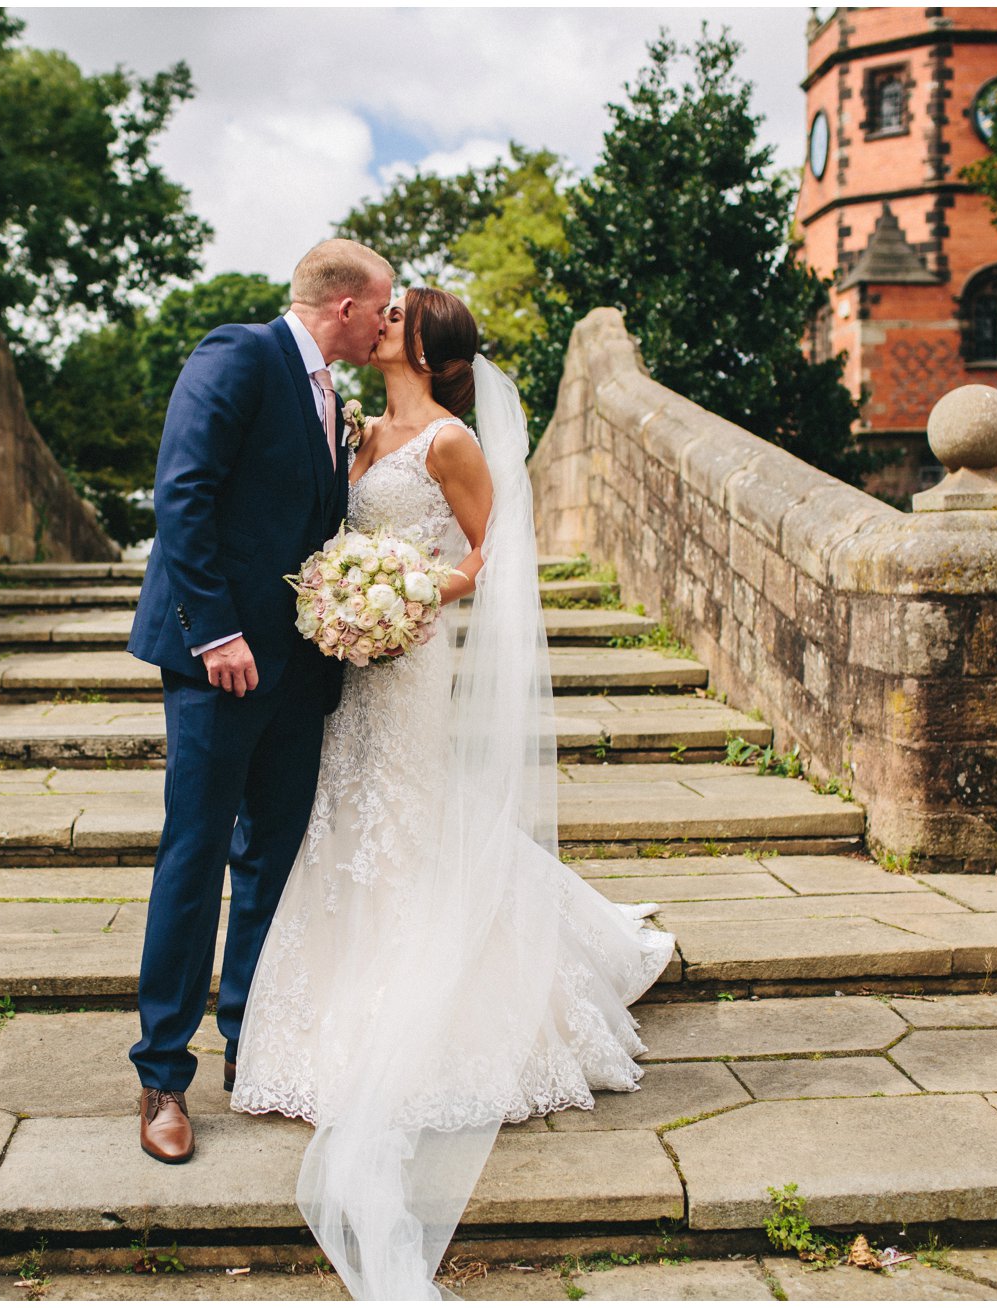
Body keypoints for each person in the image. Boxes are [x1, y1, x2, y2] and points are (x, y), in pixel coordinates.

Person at [229, 286, 676, 1299]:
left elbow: (492, 557)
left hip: (412, 649)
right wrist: (343, 591)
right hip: (352, 652)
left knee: (408, 806)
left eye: (400, 315)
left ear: (428, 347)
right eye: (382, 311)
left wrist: (405, 591)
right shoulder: (356, 427)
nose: (381, 319)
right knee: (347, 806)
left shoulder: (449, 445)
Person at [124, 238, 394, 1165]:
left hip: (301, 668)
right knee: (195, 858)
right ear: (346, 306)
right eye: (384, 306)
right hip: (217, 660)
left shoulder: (336, 398)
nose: (388, 323)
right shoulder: (239, 354)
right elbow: (183, 495)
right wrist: (213, 632)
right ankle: (163, 1073)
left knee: (273, 859)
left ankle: (253, 1046)